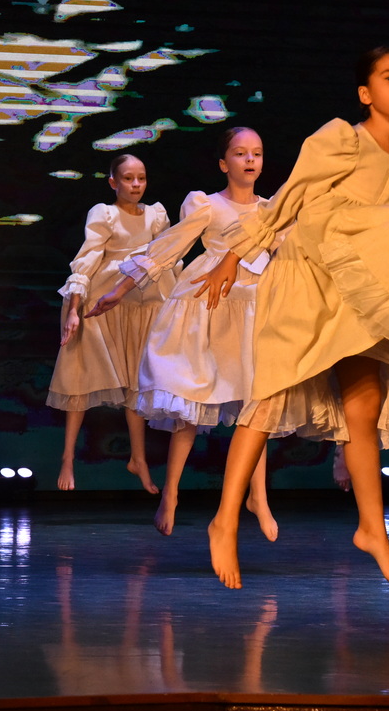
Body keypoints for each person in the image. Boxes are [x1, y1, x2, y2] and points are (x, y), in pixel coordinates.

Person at [195, 47, 389, 589]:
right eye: (388, 77)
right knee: (273, 393)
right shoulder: (342, 139)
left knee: (365, 404)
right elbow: (289, 198)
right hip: (313, 276)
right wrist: (235, 255)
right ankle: (225, 520)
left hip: (368, 289)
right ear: (365, 93)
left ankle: (372, 528)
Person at [87, 127, 280, 538]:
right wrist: (119, 290)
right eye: (240, 153)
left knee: (256, 404)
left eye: (257, 153)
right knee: (190, 402)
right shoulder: (206, 204)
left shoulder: (272, 210)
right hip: (208, 306)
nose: (250, 160)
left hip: (254, 308)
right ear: (223, 163)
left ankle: (258, 496)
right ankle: (171, 492)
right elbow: (169, 247)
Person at [46, 154, 171, 494]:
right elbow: (87, 258)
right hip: (103, 304)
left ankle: (139, 459)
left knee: (136, 384)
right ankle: (68, 457)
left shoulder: (156, 215)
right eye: (128, 178)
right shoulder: (105, 213)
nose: (136, 184)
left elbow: (166, 256)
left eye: (141, 178)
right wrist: (74, 309)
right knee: (81, 377)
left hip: (142, 304)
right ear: (113, 182)